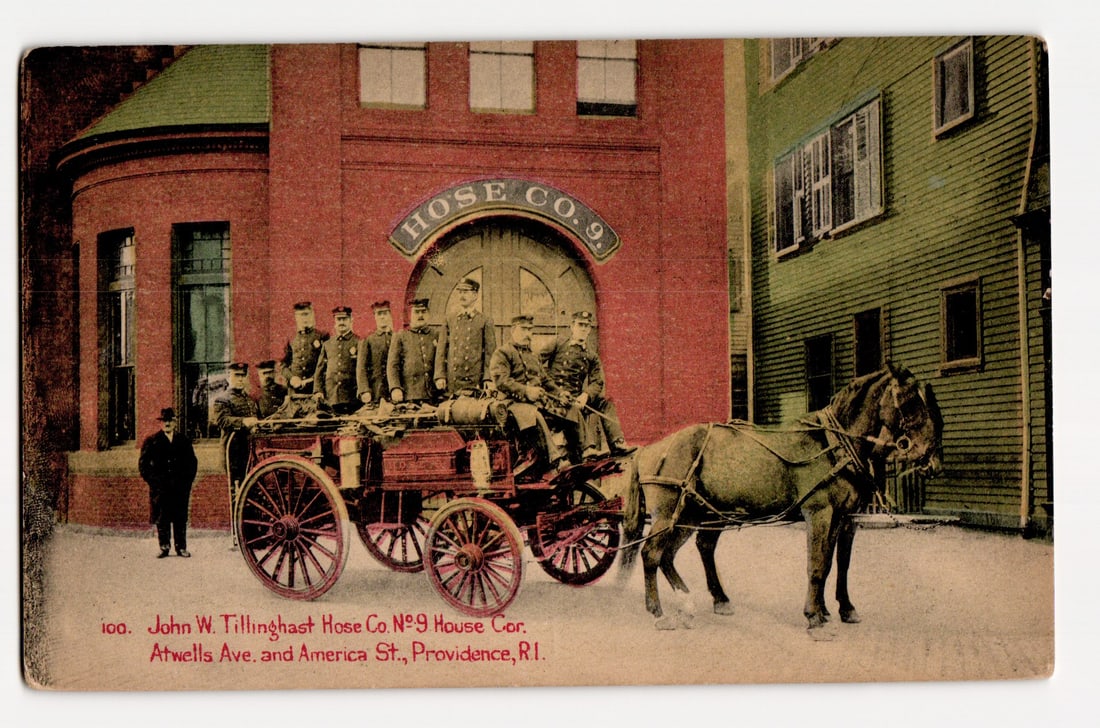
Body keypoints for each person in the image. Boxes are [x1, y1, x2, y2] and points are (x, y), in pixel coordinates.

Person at [489, 314, 579, 478]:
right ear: (513, 330)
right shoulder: (502, 353)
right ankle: (555, 460)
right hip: (511, 404)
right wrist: (527, 391)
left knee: (571, 410)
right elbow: (502, 381)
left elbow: (545, 380)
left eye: (530, 330)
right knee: (533, 414)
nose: (528, 334)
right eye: (524, 329)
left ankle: (578, 457)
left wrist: (560, 393)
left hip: (534, 404)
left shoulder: (532, 355)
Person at [542, 310, 633, 458]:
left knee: (605, 402)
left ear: (590, 329)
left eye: (586, 326)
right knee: (572, 407)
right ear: (572, 326)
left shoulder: (591, 356)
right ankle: (587, 449)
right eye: (580, 325)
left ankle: (617, 443)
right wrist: (550, 388)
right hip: (554, 399)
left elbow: (597, 381)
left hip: (576, 400)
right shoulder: (558, 344)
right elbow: (536, 365)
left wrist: (585, 395)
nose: (583, 329)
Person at [138, 407, 198, 558]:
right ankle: (164, 547)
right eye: (165, 421)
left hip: (179, 488)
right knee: (162, 517)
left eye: (170, 421)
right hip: (161, 489)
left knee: (180, 518)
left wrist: (186, 483)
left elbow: (192, 463)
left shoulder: (183, 441)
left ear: (175, 422)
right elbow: (143, 465)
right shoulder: (152, 441)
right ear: (161, 423)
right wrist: (154, 482)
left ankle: (181, 547)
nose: (167, 424)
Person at [434, 277, 496, 396]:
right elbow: (441, 350)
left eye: (466, 292)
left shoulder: (485, 320)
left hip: (474, 380)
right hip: (453, 381)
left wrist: (488, 378)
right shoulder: (450, 319)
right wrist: (439, 375)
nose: (462, 295)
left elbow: (490, 353)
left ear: (475, 295)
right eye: (460, 292)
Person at [212, 362, 259, 495]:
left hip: (250, 450)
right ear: (228, 377)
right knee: (237, 490)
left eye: (243, 376)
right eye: (237, 375)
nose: (240, 379)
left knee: (250, 488)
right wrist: (243, 421)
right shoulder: (222, 400)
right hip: (233, 451)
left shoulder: (249, 400)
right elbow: (222, 420)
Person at [387, 298, 440, 405]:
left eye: (423, 311)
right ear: (409, 315)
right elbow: (393, 365)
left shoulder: (436, 335)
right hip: (410, 394)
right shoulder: (401, 336)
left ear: (428, 314)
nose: (420, 315)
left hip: (434, 394)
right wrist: (395, 387)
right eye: (416, 312)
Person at [313, 306, 361, 414]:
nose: (341, 322)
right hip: (331, 397)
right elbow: (320, 370)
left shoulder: (359, 342)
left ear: (351, 320)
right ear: (334, 321)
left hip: (352, 397)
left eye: (345, 319)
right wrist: (318, 390)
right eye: (339, 319)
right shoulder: (327, 344)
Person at [279, 301, 328, 395]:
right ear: (296, 317)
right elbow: (283, 364)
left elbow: (327, 364)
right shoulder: (291, 338)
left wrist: (312, 380)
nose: (304, 318)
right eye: (300, 315)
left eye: (306, 314)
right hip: (294, 390)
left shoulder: (321, 336)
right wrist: (291, 378)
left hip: (315, 389)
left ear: (312, 315)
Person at [356, 300, 394, 408]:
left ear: (390, 315)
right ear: (375, 317)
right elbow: (361, 368)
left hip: (395, 390)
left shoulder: (396, 338)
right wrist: (364, 390)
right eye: (379, 314)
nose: (382, 317)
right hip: (376, 390)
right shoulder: (368, 340)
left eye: (385, 313)